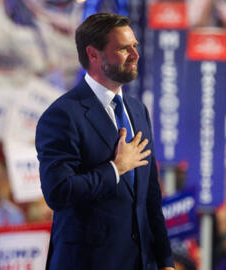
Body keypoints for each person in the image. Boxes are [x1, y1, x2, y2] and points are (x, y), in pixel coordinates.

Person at [35, 13, 174, 270]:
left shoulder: (138, 110)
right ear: (93, 54)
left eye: (135, 46)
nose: (135, 54)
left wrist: (165, 260)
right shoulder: (62, 115)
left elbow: (150, 198)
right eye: (123, 48)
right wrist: (115, 169)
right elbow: (58, 192)